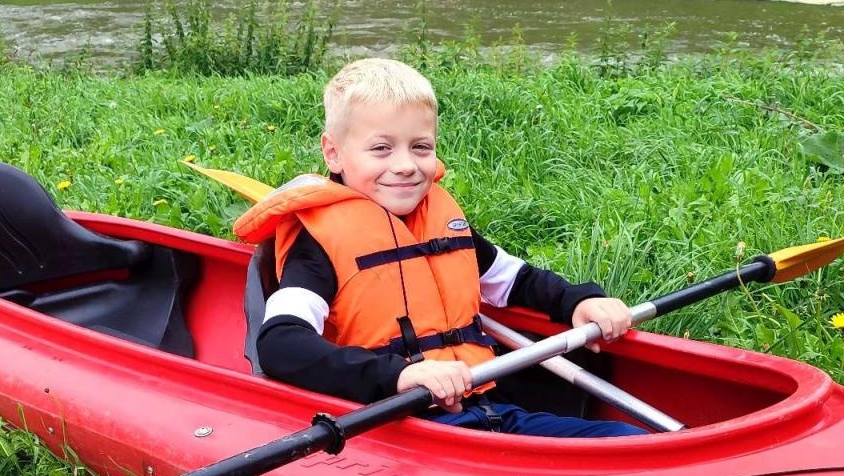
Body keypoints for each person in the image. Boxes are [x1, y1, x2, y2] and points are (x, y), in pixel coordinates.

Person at [232, 58, 646, 438]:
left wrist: (578, 301)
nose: (405, 165)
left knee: (630, 441)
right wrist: (400, 375)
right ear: (334, 153)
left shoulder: (439, 217)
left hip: (488, 410)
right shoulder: (318, 243)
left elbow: (514, 280)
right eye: (381, 148)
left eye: (420, 147)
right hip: (392, 427)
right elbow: (281, 344)